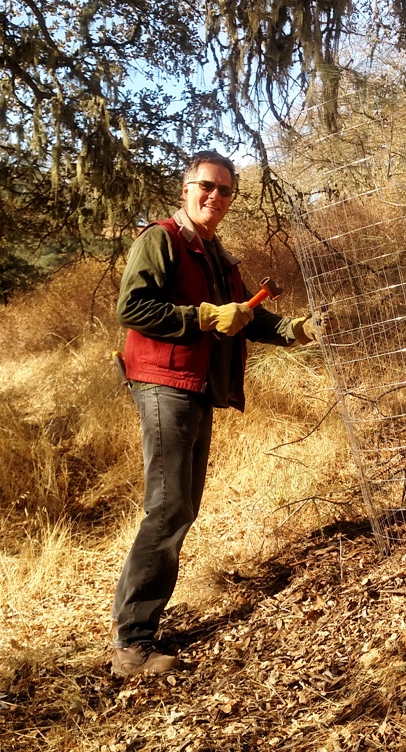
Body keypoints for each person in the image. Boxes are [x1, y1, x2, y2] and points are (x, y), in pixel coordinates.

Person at [111, 150, 324, 676]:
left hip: (196, 387)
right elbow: (132, 308)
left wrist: (295, 330)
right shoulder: (161, 239)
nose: (216, 196)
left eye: (226, 190)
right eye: (208, 186)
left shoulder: (217, 255)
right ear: (186, 188)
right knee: (167, 507)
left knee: (181, 508)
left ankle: (139, 629)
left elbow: (245, 317)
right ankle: (131, 646)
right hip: (163, 382)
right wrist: (204, 316)